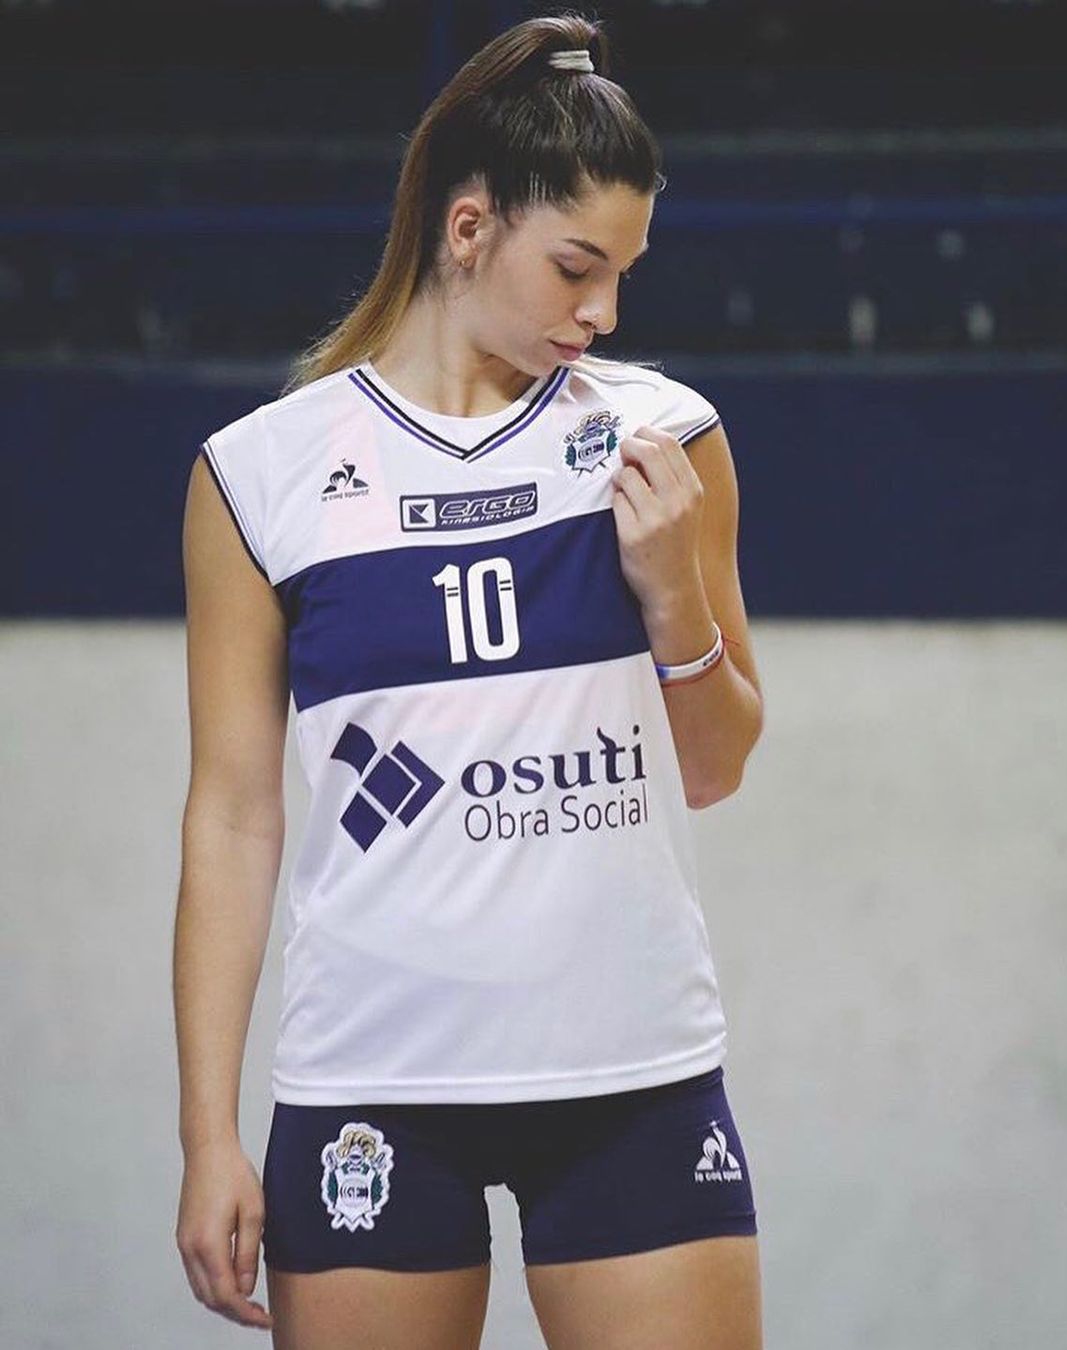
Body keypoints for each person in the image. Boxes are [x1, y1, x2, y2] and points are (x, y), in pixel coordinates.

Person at [174, 12, 766, 1348]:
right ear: (467, 228)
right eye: (576, 267)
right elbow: (232, 815)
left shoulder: (664, 438)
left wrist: (674, 594)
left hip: (632, 1072)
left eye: (624, 273)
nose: (603, 311)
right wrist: (208, 1133)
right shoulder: (260, 476)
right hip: (372, 1084)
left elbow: (719, 764)